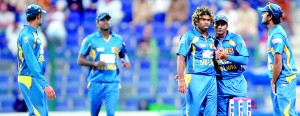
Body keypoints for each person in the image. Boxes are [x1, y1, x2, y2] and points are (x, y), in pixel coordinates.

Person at [77, 13, 131, 116]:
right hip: (96, 81)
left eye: (107, 20)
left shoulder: (118, 39)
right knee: (94, 113)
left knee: (111, 113)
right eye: (103, 20)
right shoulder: (90, 39)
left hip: (112, 82)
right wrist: (94, 63)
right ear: (97, 23)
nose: (106, 22)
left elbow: (123, 55)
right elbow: (80, 60)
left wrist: (126, 62)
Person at [176, 6, 217, 115]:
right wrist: (181, 79)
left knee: (211, 113)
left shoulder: (212, 39)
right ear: (197, 21)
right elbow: (181, 57)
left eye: (208, 20)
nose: (206, 22)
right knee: (193, 112)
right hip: (195, 78)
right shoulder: (188, 36)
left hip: (212, 79)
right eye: (203, 20)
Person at [258, 2, 298, 115]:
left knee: (287, 113)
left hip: (284, 78)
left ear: (270, 17)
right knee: (279, 113)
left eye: (264, 13)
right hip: (278, 78)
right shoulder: (273, 32)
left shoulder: (277, 35)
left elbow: (278, 63)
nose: (262, 15)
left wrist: (273, 81)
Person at [17, 4, 56, 116]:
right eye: (41, 15)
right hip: (29, 77)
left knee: (38, 113)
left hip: (33, 78)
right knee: (40, 114)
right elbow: (31, 63)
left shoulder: (32, 33)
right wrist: (45, 84)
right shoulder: (27, 36)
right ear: (38, 16)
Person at [213, 15, 249, 116]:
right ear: (213, 26)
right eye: (217, 24)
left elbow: (244, 59)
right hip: (220, 84)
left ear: (227, 26)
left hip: (237, 82)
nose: (219, 27)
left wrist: (226, 57)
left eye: (222, 24)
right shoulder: (211, 41)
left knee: (241, 114)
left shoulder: (236, 39)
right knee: (221, 114)